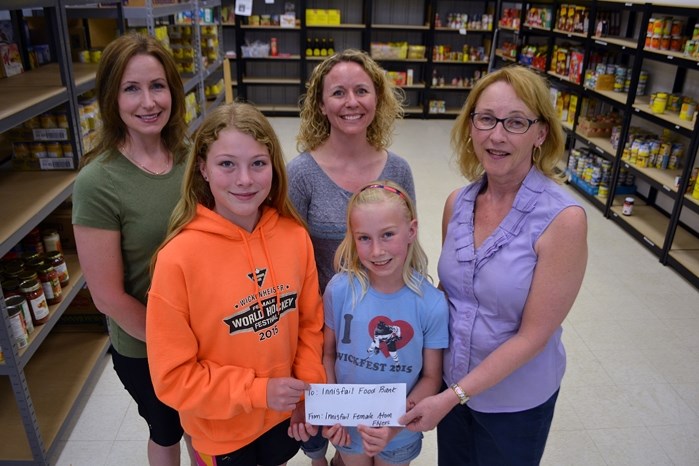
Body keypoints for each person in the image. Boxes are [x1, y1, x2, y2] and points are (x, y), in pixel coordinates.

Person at [399, 65, 588, 465]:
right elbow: (452, 297)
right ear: (470, 127)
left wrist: (453, 396)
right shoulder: (458, 202)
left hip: (514, 403)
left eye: (515, 122)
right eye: (485, 119)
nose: (496, 135)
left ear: (541, 133)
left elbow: (534, 335)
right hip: (451, 387)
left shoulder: (563, 219)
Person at [145, 102, 326, 466]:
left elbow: (310, 325)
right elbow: (173, 377)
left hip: (283, 418)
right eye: (227, 164)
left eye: (258, 163)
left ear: (273, 168)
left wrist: (308, 395)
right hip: (220, 430)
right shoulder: (177, 258)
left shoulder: (293, 236)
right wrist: (259, 391)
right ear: (202, 169)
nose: (245, 179)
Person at [72, 32, 192, 466]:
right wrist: (176, 343)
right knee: (166, 429)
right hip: (146, 346)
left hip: (204, 331)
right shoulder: (98, 182)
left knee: (205, 424)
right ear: (111, 97)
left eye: (157, 86)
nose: (148, 102)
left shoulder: (189, 157)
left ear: (173, 92)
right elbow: (108, 296)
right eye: (131, 88)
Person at [309, 180, 449, 466]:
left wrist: (393, 427)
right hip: (347, 429)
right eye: (364, 238)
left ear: (411, 230)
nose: (376, 251)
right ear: (352, 237)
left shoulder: (431, 304)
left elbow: (432, 377)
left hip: (399, 434)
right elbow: (328, 354)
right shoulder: (339, 289)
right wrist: (333, 411)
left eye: (387, 235)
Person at [288, 48, 416, 296]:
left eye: (361, 91)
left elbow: (409, 252)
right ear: (322, 105)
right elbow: (290, 261)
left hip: (387, 315)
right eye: (338, 93)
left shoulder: (398, 170)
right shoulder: (301, 174)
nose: (352, 102)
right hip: (325, 319)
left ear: (376, 99)